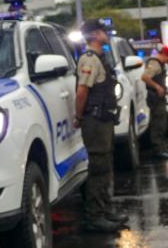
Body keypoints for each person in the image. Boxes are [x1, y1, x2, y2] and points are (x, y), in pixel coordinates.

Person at [73, 18, 128, 233]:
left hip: (103, 121)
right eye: (104, 31)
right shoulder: (89, 59)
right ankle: (94, 216)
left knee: (105, 166)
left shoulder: (99, 58)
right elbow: (82, 92)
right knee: (98, 168)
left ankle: (105, 210)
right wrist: (79, 117)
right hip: (95, 121)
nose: (107, 34)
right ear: (95, 34)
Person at [141, 46, 168, 159]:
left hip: (158, 98)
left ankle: (161, 147)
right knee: (158, 123)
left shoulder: (159, 64)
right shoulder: (155, 63)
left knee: (162, 121)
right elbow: (145, 77)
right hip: (155, 98)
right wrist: (157, 87)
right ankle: (158, 149)